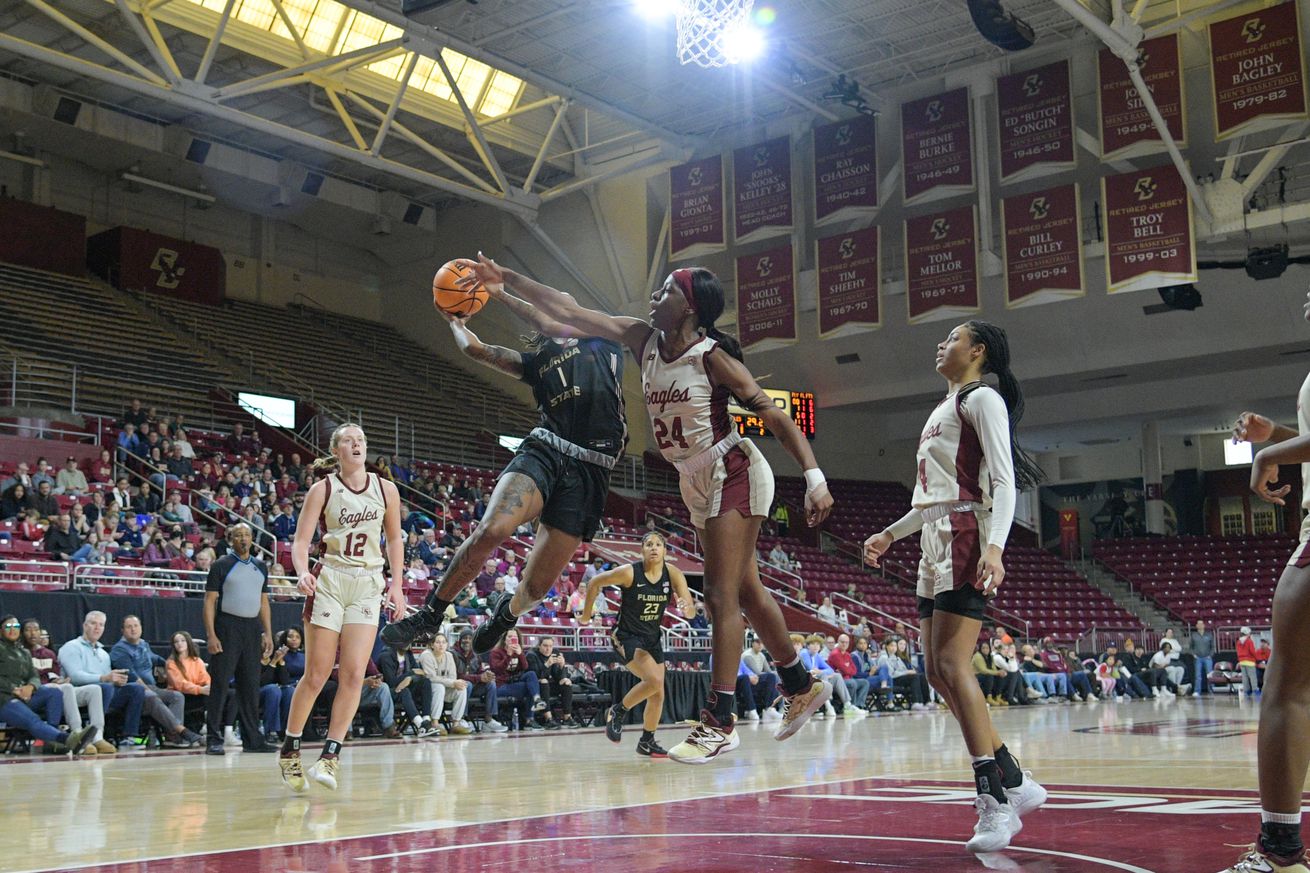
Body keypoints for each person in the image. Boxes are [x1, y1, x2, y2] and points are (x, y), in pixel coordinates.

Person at [470, 256, 837, 762]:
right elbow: (567, 309)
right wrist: (507, 278)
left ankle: (719, 719)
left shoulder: (711, 358)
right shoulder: (642, 339)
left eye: (667, 291)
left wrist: (814, 477)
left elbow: (772, 414)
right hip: (693, 480)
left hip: (733, 470)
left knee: (718, 595)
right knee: (747, 590)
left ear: (690, 307)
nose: (656, 296)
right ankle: (798, 682)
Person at [863, 321, 1047, 852]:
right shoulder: (942, 408)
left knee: (952, 664)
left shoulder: (982, 397)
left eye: (952, 337)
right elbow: (933, 498)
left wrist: (996, 546)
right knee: (935, 671)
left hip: (968, 534)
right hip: (935, 537)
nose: (941, 344)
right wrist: (891, 534)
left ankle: (995, 798)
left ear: (978, 350)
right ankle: (1014, 777)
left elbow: (1004, 478)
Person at [381, 279, 629, 665]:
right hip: (546, 449)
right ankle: (429, 617)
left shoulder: (600, 335)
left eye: (559, 298)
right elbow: (482, 351)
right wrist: (456, 323)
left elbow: (554, 318)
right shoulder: (539, 361)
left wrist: (498, 292)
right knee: (492, 529)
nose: (557, 302)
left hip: (591, 469)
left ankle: (506, 613)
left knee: (536, 587)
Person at [279, 423, 406, 793]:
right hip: (330, 579)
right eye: (350, 440)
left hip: (368, 583)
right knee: (317, 675)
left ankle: (330, 757)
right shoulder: (323, 489)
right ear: (337, 450)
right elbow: (300, 542)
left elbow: (395, 538)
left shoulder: (386, 489)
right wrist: (302, 572)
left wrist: (396, 585)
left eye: (362, 440)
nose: (358, 444)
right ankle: (290, 747)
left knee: (353, 675)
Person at [582, 531, 693, 756]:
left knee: (658, 692)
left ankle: (646, 741)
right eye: (649, 544)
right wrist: (586, 616)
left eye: (658, 544)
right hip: (626, 636)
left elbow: (690, 612)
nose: (653, 548)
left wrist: (686, 608)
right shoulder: (629, 573)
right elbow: (594, 582)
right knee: (653, 680)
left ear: (664, 550)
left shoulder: (673, 574)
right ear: (641, 550)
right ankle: (618, 711)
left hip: (652, 638)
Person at [203, 523, 277, 755]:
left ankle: (252, 738)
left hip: (251, 628)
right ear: (230, 539)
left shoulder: (260, 566)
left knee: (250, 686)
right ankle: (214, 739)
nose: (243, 539)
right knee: (220, 684)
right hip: (227, 626)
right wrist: (211, 635)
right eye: (238, 535)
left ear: (252, 538)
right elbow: (209, 601)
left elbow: (264, 602)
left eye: (246, 535)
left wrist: (267, 632)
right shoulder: (220, 565)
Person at [0, 615, 98, 756]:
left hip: (25, 695)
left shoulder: (24, 652)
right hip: (4, 698)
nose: (12, 629)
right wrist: (14, 689)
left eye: (16, 626)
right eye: (8, 627)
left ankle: (50, 741)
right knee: (33, 720)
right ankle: (67, 739)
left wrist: (31, 687)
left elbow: (34, 676)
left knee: (54, 692)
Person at [59, 611, 147, 752]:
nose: (97, 628)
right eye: (93, 623)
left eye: (101, 625)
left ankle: (129, 737)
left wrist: (116, 681)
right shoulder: (71, 647)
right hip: (78, 694)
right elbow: (74, 676)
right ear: (85, 625)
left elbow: (107, 679)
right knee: (103, 687)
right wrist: (104, 678)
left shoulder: (103, 653)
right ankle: (92, 734)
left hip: (104, 693)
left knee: (135, 689)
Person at [109, 615, 203, 748]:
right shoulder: (120, 649)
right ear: (122, 630)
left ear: (141, 628)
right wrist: (147, 689)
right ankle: (182, 731)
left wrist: (174, 668)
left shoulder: (143, 644)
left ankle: (172, 738)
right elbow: (131, 675)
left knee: (177, 696)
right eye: (129, 627)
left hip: (152, 686)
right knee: (152, 697)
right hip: (135, 689)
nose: (133, 629)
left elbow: (156, 659)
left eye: (136, 626)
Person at [488, 629, 556, 731]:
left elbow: (525, 667)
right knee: (531, 687)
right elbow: (497, 669)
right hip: (500, 685)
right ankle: (529, 720)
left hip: (514, 682)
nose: (512, 639)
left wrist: (520, 654)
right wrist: (508, 655)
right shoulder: (495, 652)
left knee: (531, 676)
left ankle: (537, 701)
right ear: (504, 639)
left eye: (514, 637)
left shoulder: (518, 651)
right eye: (509, 637)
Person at [453, 631, 508, 732]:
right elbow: (457, 675)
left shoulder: (475, 654)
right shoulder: (453, 653)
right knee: (466, 684)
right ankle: (462, 718)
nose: (467, 641)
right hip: (456, 687)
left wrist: (486, 674)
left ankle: (489, 719)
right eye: (465, 638)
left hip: (474, 686)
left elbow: (480, 670)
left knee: (491, 683)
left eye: (470, 638)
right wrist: (479, 678)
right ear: (460, 640)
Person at [418, 633, 473, 734]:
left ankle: (456, 724)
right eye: (438, 642)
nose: (441, 645)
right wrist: (451, 683)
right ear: (432, 645)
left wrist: (454, 683)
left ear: (447, 645)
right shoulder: (426, 655)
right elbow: (431, 678)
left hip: (444, 689)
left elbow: (453, 677)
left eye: (443, 642)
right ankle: (435, 723)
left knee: (461, 687)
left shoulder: (449, 655)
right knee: (439, 687)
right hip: (427, 691)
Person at [526, 636, 575, 728]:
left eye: (550, 646)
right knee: (544, 682)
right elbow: (534, 677)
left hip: (549, 685)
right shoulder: (531, 655)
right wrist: (547, 664)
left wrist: (562, 667)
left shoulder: (555, 653)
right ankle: (548, 718)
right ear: (539, 646)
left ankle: (567, 718)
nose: (548, 649)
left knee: (566, 683)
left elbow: (558, 677)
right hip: (536, 688)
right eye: (545, 646)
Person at [826, 633, 869, 713]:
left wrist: (846, 670)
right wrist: (847, 670)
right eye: (842, 642)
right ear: (838, 642)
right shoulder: (835, 654)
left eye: (846, 642)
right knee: (852, 683)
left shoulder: (847, 655)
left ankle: (859, 705)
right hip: (838, 681)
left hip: (847, 678)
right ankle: (851, 706)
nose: (844, 644)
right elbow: (846, 670)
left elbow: (854, 670)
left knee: (865, 682)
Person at [1191, 619, 1215, 695]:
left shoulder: (1209, 634)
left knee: (1210, 675)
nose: (1200, 625)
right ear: (1196, 626)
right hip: (1198, 658)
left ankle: (1211, 690)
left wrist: (1210, 655)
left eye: (1201, 624)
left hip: (1207, 658)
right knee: (1198, 676)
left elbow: (1213, 646)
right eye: (1199, 624)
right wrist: (1193, 654)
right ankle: (1197, 691)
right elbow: (1191, 647)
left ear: (1204, 625)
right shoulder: (1193, 635)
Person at [1236, 626, 1261, 698]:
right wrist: (1257, 658)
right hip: (1250, 661)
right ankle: (1255, 691)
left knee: (1245, 677)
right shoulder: (1249, 641)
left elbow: (1238, 652)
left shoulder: (1238, 642)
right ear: (1247, 633)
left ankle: (1246, 691)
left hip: (1242, 661)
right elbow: (1252, 651)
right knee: (1253, 677)